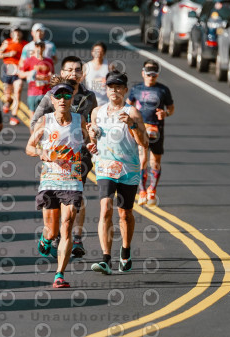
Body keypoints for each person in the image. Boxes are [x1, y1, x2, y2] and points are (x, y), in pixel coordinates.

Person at [26, 79, 97, 289]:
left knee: (67, 226)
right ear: (52, 99)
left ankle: (60, 274)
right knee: (52, 230)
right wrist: (41, 152)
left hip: (72, 181)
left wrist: (92, 145)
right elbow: (29, 147)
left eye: (67, 95)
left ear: (72, 98)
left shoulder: (79, 119)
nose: (63, 99)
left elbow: (88, 141)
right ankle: (46, 238)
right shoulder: (45, 121)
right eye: (58, 96)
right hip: (49, 181)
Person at [89, 72, 148, 275]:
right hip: (105, 167)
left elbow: (144, 143)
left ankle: (125, 250)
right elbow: (94, 138)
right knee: (105, 208)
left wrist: (132, 125)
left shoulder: (133, 112)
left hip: (128, 169)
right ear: (106, 90)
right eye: (110, 87)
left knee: (125, 214)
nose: (114, 90)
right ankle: (106, 258)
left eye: (118, 87)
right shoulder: (97, 112)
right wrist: (92, 141)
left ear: (125, 90)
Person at [127, 60, 174, 206]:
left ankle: (152, 189)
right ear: (143, 73)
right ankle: (142, 191)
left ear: (157, 75)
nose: (151, 77)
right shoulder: (136, 89)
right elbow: (128, 105)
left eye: (154, 75)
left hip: (156, 129)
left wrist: (165, 113)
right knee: (142, 159)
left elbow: (171, 108)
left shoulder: (163, 90)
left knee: (155, 161)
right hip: (141, 128)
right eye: (148, 74)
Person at [13, 23, 57, 118]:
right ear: (32, 33)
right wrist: (30, 71)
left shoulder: (50, 45)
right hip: (31, 77)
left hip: (45, 79)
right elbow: (22, 62)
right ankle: (15, 109)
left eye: (41, 31)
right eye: (37, 31)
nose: (39, 33)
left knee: (45, 113)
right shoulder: (27, 47)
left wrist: (45, 66)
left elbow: (55, 59)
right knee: (18, 86)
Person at [0, 27, 26, 125]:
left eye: (19, 32)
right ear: (12, 34)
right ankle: (8, 102)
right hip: (8, 69)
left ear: (21, 34)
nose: (17, 34)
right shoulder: (7, 42)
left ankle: (14, 116)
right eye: (15, 32)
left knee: (18, 91)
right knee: (7, 95)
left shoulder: (25, 44)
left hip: (19, 70)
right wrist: (9, 54)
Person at [18, 41, 54, 113]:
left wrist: (49, 76)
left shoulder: (49, 61)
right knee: (33, 115)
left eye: (41, 46)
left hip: (46, 91)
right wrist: (31, 73)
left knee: (46, 115)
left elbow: (52, 75)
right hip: (33, 91)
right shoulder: (29, 60)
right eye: (37, 46)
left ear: (44, 48)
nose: (39, 49)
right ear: (34, 48)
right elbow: (20, 74)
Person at [83, 41, 110, 106]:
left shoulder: (109, 66)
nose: (98, 53)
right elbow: (78, 80)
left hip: (105, 102)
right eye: (96, 51)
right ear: (92, 52)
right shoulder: (86, 66)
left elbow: (115, 81)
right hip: (90, 102)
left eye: (100, 51)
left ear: (104, 53)